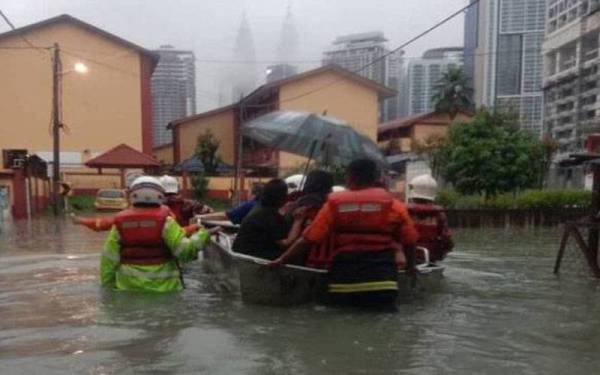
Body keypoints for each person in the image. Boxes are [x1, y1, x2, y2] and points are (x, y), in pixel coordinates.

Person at [269, 158, 419, 309]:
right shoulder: (395, 206)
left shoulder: (334, 205)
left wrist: (282, 260)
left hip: (344, 281)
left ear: (350, 177)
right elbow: (410, 241)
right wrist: (411, 268)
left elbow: (308, 239)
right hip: (383, 282)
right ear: (376, 178)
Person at [100, 176, 211, 292]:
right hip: (165, 290)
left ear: (132, 195)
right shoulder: (167, 222)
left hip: (127, 289)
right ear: (159, 195)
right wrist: (203, 234)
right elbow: (185, 252)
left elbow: (108, 259)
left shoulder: (119, 224)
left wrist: (107, 288)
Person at [232, 179, 306, 260]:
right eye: (286, 194)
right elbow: (286, 243)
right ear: (282, 197)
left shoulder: (261, 208)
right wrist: (298, 220)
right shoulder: (269, 215)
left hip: (241, 253)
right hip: (249, 258)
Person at [406, 174, 454, 263]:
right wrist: (445, 251)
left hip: (406, 255)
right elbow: (447, 238)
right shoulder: (439, 215)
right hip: (429, 257)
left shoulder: (403, 211)